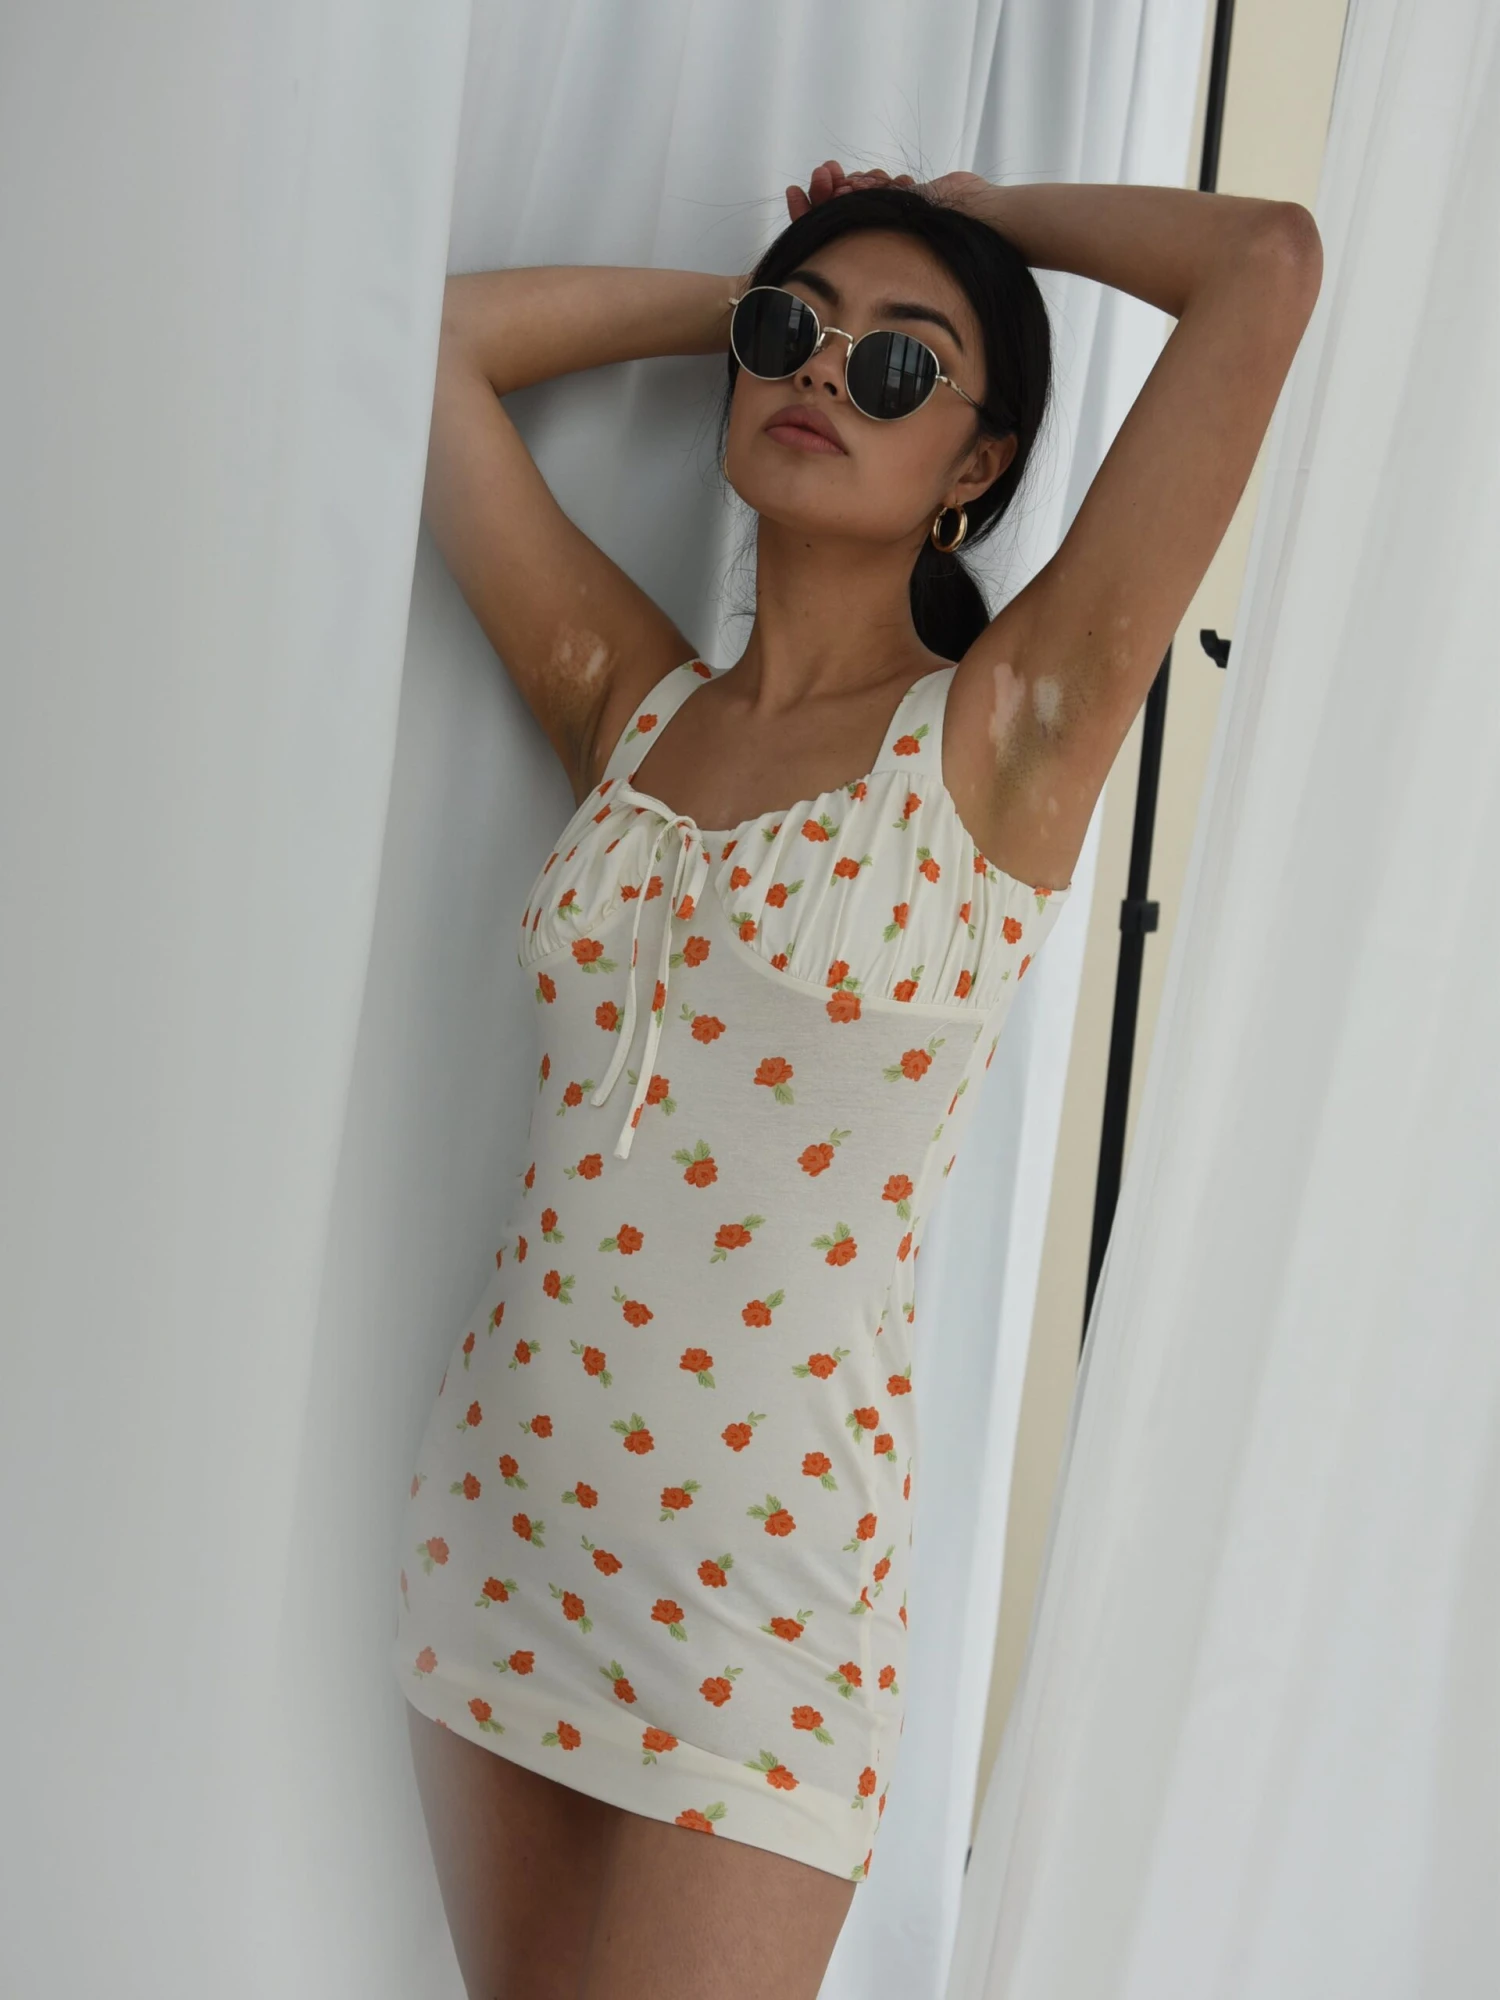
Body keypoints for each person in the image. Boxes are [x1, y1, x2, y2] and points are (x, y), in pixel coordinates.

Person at [393, 159, 1322, 1999]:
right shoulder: (632, 707)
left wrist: (971, 207)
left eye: (901, 363)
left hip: (763, 1627)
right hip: (500, 1534)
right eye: (792, 335)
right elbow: (427, 352)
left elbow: (1267, 261)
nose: (827, 371)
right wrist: (739, 305)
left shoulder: (1010, 736)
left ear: (979, 463)